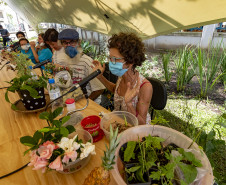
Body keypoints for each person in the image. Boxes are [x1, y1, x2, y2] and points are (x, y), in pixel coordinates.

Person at [92, 32, 153, 125]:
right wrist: (100, 77)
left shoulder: (145, 87)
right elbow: (115, 89)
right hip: (119, 123)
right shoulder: (122, 75)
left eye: (115, 59)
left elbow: (141, 123)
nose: (111, 62)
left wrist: (129, 104)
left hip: (135, 130)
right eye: (110, 58)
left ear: (130, 61)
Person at [54, 28, 105, 103]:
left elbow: (99, 89)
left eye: (72, 42)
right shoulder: (64, 60)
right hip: (73, 98)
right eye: (65, 43)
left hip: (88, 100)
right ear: (62, 44)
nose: (69, 46)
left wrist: (87, 102)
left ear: (79, 43)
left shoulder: (87, 62)